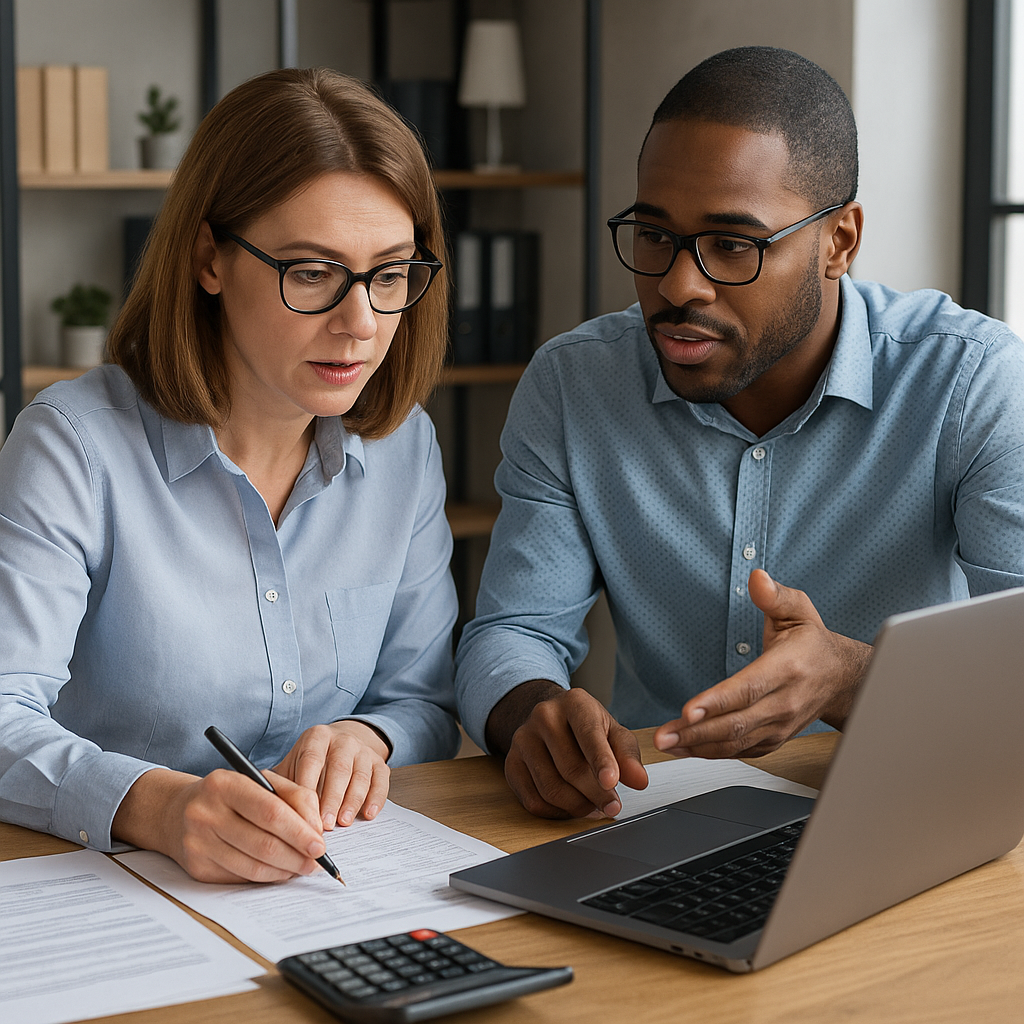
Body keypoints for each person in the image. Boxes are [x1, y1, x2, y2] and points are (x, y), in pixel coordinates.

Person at [455, 46, 1024, 820]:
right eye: (654, 235)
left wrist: (851, 676)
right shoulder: (574, 385)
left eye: (734, 245)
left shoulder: (971, 382)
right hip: (649, 816)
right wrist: (532, 712)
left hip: (896, 811)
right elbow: (513, 631)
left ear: (840, 242)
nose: (678, 285)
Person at [0, 68, 459, 882]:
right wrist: (155, 805)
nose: (360, 324)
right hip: (111, 893)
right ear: (209, 258)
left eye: (390, 275)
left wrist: (371, 739)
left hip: (334, 889)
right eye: (313, 272)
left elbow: (424, 699)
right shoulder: (72, 446)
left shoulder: (403, 446)